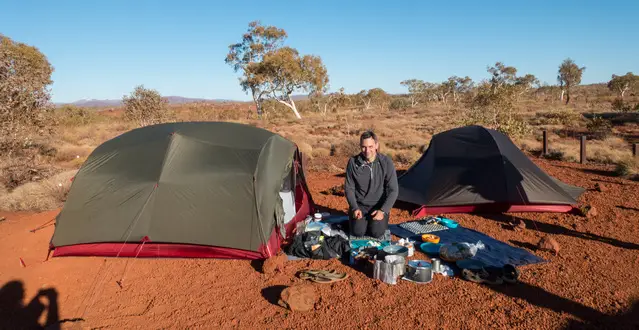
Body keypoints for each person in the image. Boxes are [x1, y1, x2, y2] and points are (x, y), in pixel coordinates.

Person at [344, 130, 398, 238]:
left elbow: (393, 190)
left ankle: (373, 223)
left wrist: (383, 211)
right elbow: (349, 188)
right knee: (358, 232)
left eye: (370, 146)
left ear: (376, 145)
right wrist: (354, 208)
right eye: (364, 147)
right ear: (360, 146)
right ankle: (358, 221)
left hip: (378, 206)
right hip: (360, 206)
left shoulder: (386, 162)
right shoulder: (353, 162)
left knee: (376, 233)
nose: (367, 150)